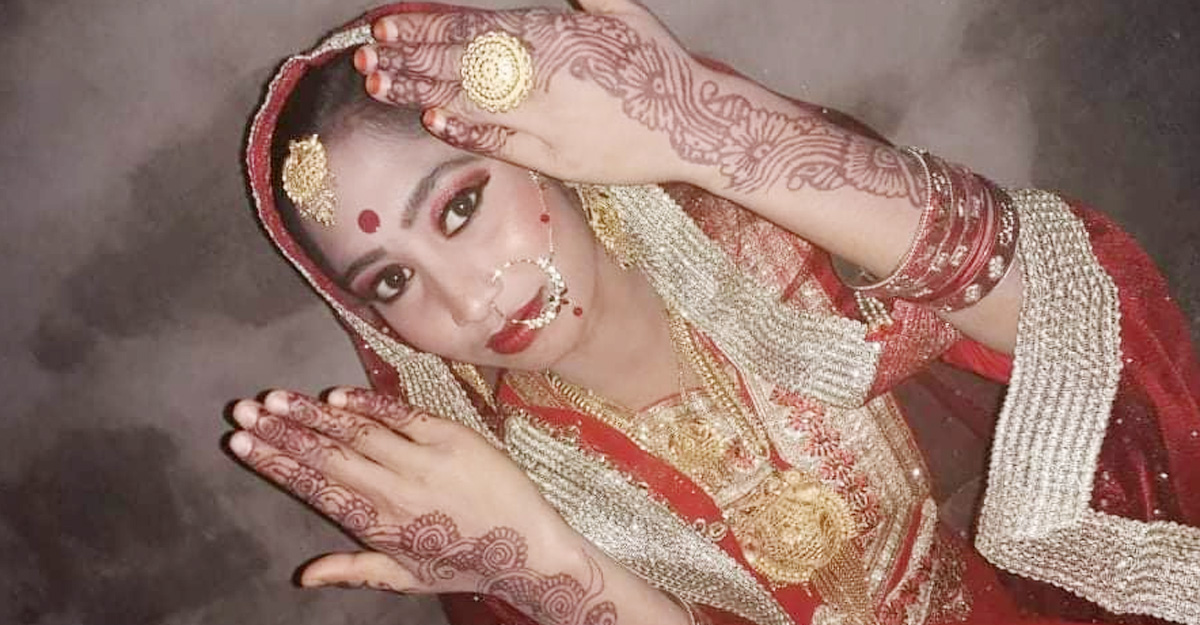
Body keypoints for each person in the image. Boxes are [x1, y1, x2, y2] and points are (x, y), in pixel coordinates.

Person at [233, 1, 1200, 624]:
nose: (465, 296)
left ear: (541, 152)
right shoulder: (489, 487)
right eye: (390, 283)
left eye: (458, 208)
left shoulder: (766, 249)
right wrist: (552, 569)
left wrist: (705, 127)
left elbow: (1084, 312)